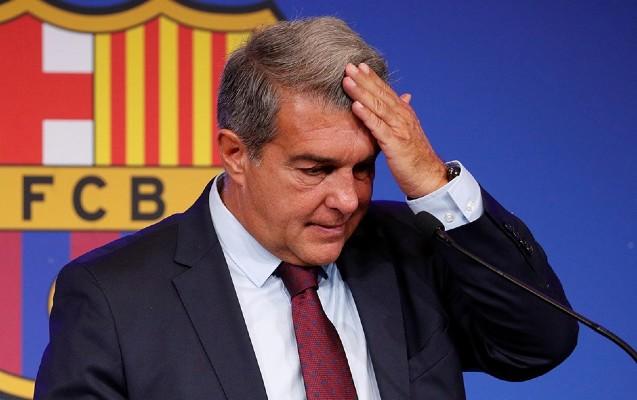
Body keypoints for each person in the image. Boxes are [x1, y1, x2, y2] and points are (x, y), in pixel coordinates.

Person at [35, 17, 578, 400]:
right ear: (236, 154)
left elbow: (538, 344)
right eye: (315, 169)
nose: (347, 200)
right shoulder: (113, 296)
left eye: (363, 168)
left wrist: (432, 181)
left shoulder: (413, 246)